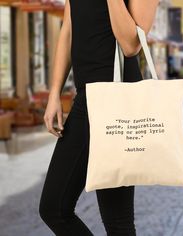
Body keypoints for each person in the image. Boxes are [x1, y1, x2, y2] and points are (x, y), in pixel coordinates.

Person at [38, 0, 160, 235]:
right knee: (55, 208)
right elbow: (68, 29)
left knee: (116, 220)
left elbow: (131, 45)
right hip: (86, 96)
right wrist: (54, 93)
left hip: (118, 99)